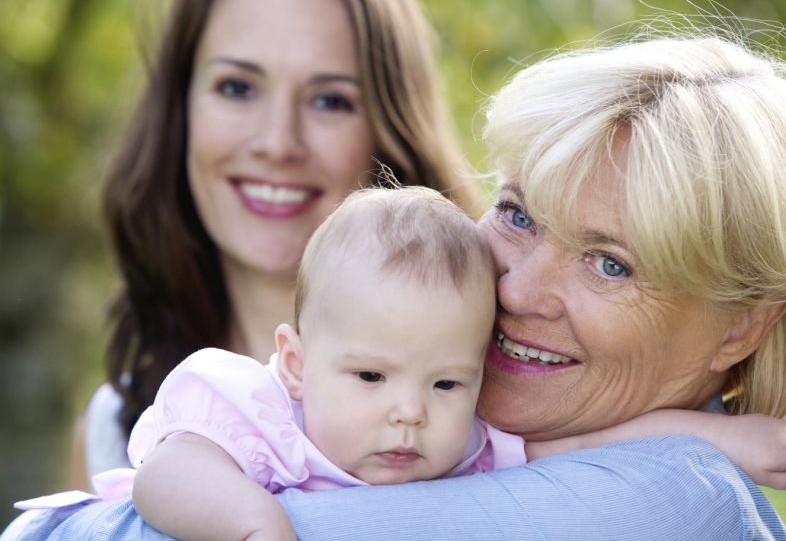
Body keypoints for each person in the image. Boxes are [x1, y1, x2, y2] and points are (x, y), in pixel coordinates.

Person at [8, 33, 786, 540]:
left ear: (741, 328)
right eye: (517, 214)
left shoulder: (676, 507)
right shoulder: (476, 432)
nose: (516, 292)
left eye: (610, 263)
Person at [69, 0, 482, 489]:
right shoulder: (112, 431)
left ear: (389, 129)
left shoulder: (492, 420)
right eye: (238, 87)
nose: (277, 142)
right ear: (181, 115)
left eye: (330, 100)